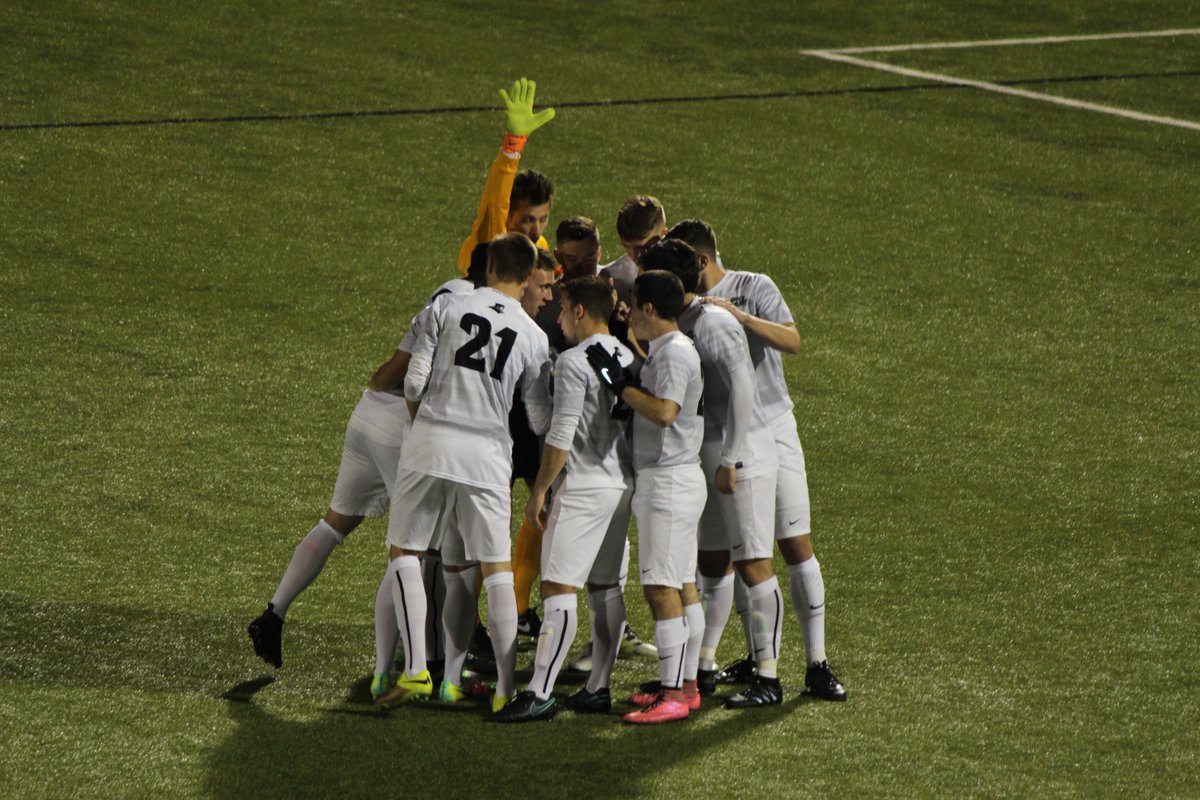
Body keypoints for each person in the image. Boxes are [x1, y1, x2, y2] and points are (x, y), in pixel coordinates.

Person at [246, 270, 477, 689]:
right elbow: (407, 376)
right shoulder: (483, 308)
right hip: (403, 426)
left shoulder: (446, 291)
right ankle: (394, 664)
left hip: (368, 414)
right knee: (409, 551)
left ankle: (274, 612)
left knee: (336, 521)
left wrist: (382, 383)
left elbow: (384, 375)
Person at [375, 233, 551, 713]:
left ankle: (416, 668)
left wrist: (428, 428)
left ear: (490, 264)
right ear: (528, 276)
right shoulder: (534, 336)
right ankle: (505, 690)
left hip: (431, 441)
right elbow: (539, 420)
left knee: (406, 551)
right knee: (495, 569)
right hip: (490, 455)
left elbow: (414, 381)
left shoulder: (447, 305)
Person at [676, 219, 848, 701]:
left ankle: (816, 664)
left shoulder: (754, 286)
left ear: (701, 259)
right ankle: (755, 659)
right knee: (724, 554)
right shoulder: (686, 307)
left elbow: (793, 341)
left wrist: (742, 317)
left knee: (793, 544)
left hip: (770, 425)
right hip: (722, 433)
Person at [646, 237, 787, 710]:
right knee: (710, 563)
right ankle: (702, 665)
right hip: (708, 454)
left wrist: (730, 457)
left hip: (742, 453)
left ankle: (769, 675)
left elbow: (745, 386)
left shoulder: (713, 322)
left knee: (754, 563)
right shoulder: (684, 321)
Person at [491, 276, 636, 722]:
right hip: (621, 485)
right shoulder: (628, 355)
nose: (557, 319)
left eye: (563, 308)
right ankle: (598, 687)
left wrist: (539, 490)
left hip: (584, 486)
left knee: (557, 586)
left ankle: (539, 692)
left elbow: (561, 434)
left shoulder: (575, 361)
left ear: (580, 311)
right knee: (605, 585)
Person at [586, 268, 706, 725]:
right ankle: (687, 686)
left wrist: (621, 387)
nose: (628, 310)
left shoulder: (673, 353)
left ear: (649, 308)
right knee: (683, 586)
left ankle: (673, 695)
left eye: (634, 304)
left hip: (668, 482)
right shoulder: (669, 348)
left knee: (661, 589)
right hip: (676, 479)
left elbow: (665, 412)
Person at [456, 78, 555, 274]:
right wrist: (513, 144)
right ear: (508, 217)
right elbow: (495, 201)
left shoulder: (540, 246)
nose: (537, 231)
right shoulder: (489, 242)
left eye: (543, 219)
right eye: (528, 220)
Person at [599, 195, 669, 305]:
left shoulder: (686, 269)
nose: (634, 255)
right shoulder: (612, 277)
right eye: (626, 246)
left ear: (664, 234)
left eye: (641, 248)